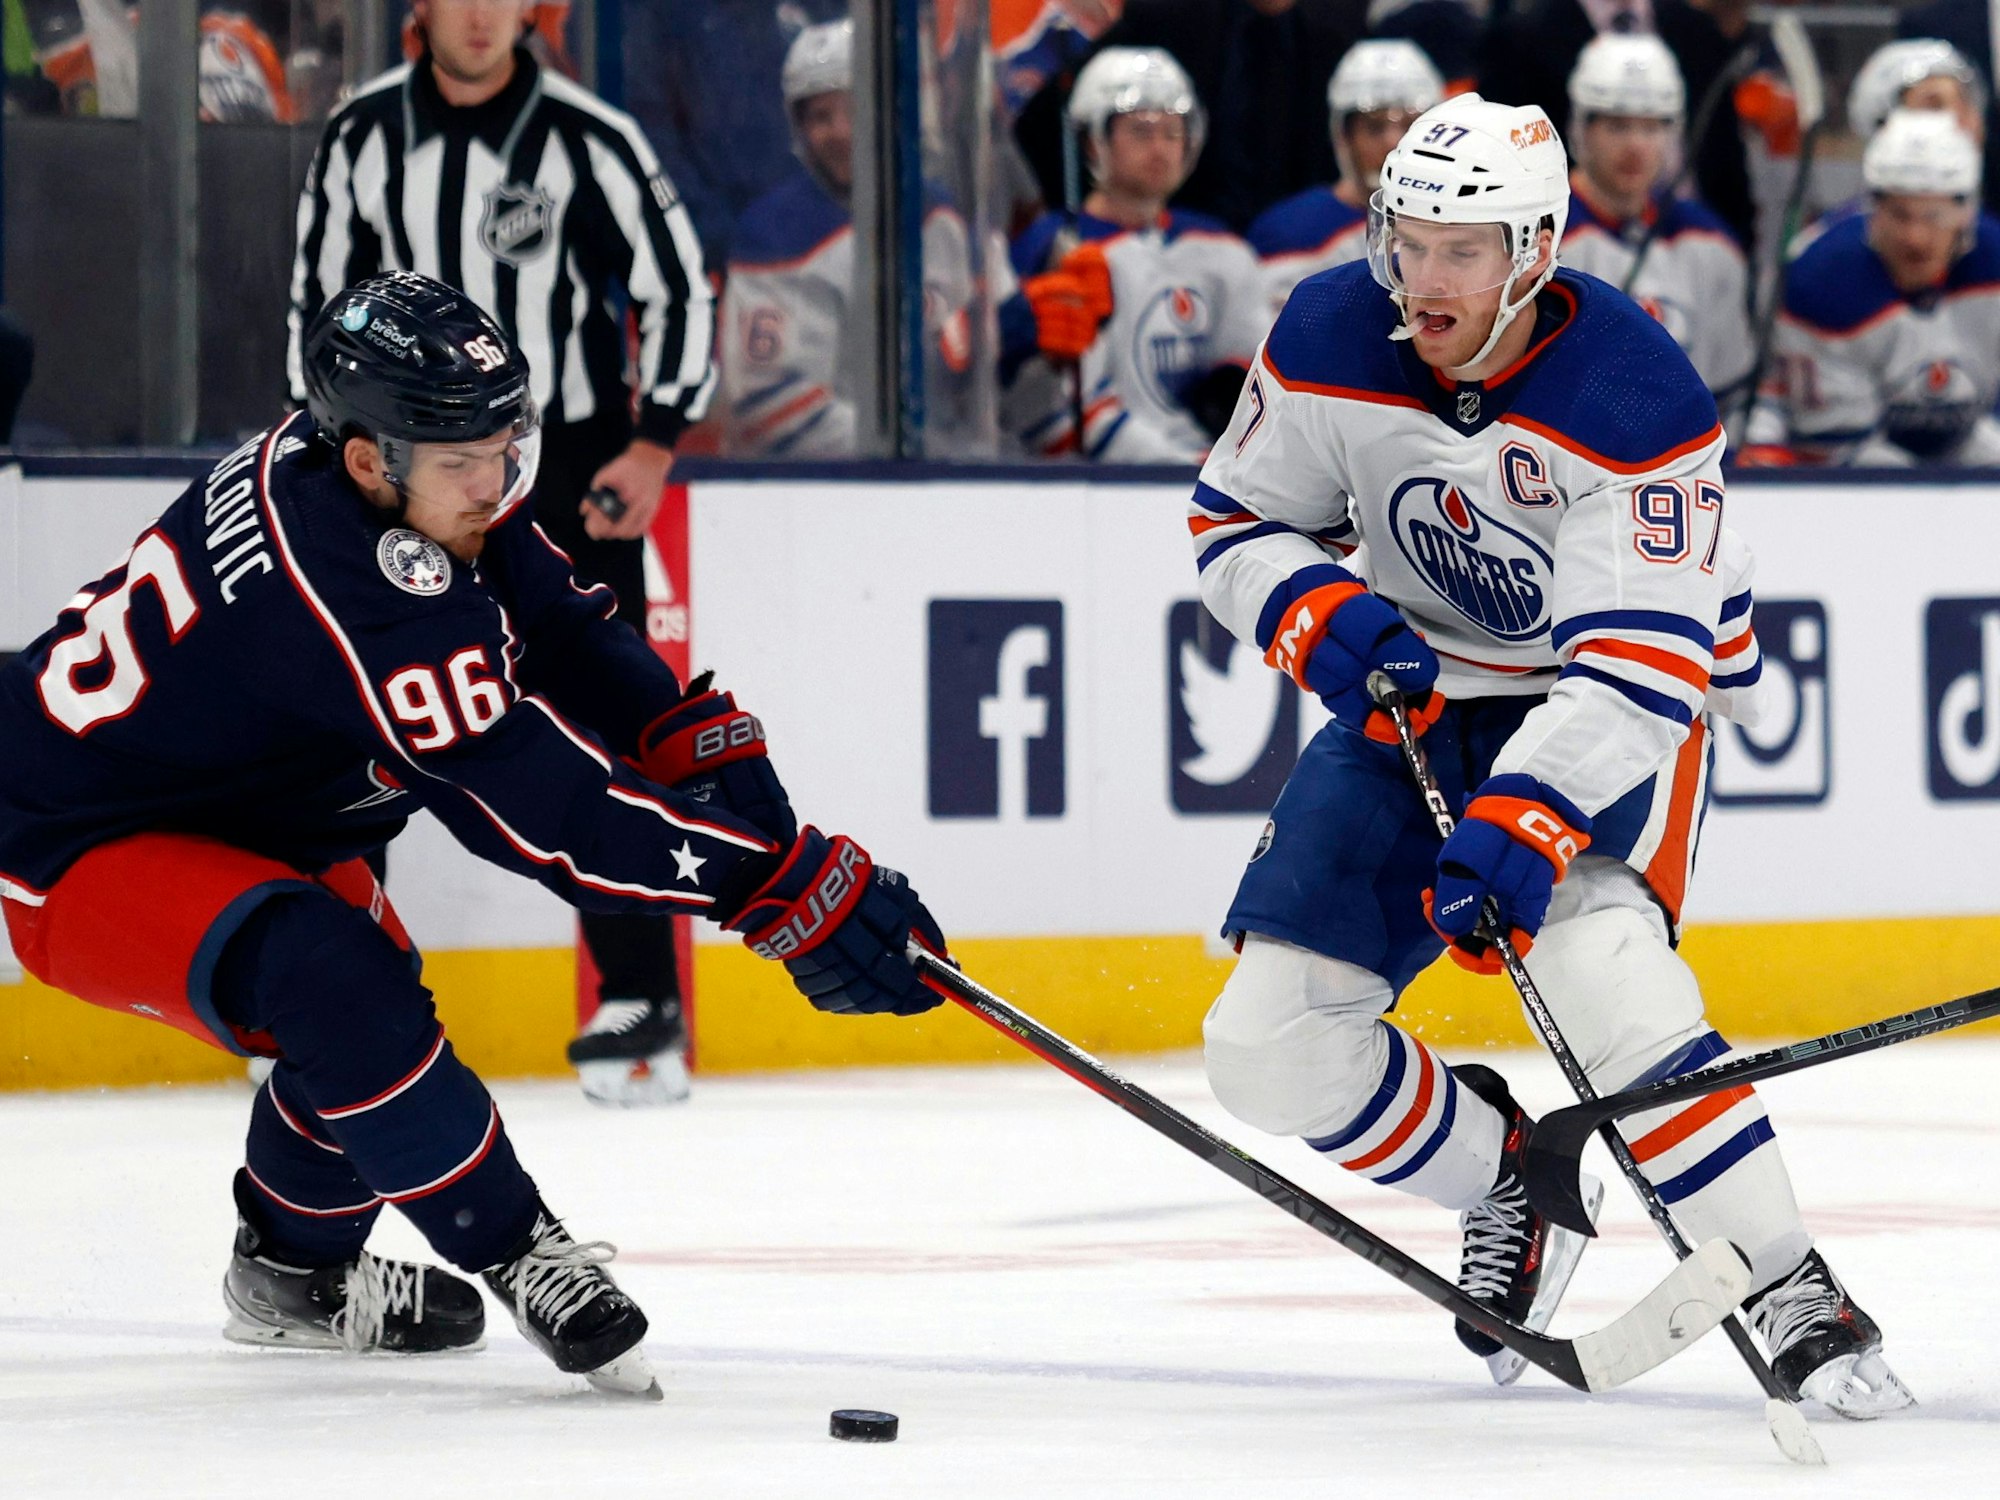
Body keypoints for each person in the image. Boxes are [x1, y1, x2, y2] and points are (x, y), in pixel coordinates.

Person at [0, 274, 949, 1393]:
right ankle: (517, 1247)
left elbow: (556, 624)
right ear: (368, 459)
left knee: (364, 1009)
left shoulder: (400, 478)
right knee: (338, 987)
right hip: (76, 843)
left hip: (224, 809)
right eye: (467, 463)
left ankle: (292, 1275)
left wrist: (701, 752)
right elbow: (539, 812)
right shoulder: (360, 585)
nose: (496, 485)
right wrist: (772, 888)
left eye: (509, 447)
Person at [1187, 94, 1912, 1413]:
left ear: (1533, 249)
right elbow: (1236, 521)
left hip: (1615, 699)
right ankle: (1512, 1176)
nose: (1426, 275)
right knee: (1268, 1049)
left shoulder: (1637, 396)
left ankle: (1790, 1282)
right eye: (1409, 240)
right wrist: (1313, 610)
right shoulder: (1330, 331)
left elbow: (1635, 672)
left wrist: (1520, 817)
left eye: (1463, 249)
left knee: (1602, 984)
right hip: (1420, 700)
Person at [288, 0, 717, 1106]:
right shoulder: (361, 136)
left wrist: (655, 440)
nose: (481, 15)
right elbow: (315, 307)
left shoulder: (591, 137)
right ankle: (328, 974)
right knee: (348, 717)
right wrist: (334, 460)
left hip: (559, 470)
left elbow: (675, 283)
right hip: (383, 475)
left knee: (597, 718)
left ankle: (639, 998)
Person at [720, 19, 980, 457]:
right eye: (821, 116)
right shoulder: (774, 233)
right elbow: (765, 405)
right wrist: (909, 455)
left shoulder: (940, 216)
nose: (840, 132)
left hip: (942, 475)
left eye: (856, 109)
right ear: (797, 127)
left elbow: (994, 348)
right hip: (807, 495)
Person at [1002, 46, 1267, 460]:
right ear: (1093, 142)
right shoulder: (1052, 249)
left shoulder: (1224, 250)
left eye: (1172, 131)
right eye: (1141, 131)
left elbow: (1259, 380)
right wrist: (1185, 470)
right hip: (1105, 492)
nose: (1160, 148)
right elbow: (1045, 409)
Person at [1754, 111, 2000, 467]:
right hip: (1860, 462)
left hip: (1968, 440)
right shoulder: (1823, 280)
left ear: (1966, 212)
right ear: (1874, 209)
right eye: (1900, 215)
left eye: (1932, 216)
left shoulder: (1992, 268)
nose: (1915, 239)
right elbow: (1836, 452)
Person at [1557, 35, 1752, 408]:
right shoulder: (1540, 239)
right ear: (1581, 128)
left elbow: (1730, 395)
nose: (1636, 145)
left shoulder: (1711, 244)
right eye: (1616, 126)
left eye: (1651, 127)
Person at [1248, 38, 1443, 323]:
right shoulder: (1287, 233)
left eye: (1410, 125)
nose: (1394, 142)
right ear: (1344, 136)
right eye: (1374, 127)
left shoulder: (1464, 228)